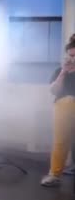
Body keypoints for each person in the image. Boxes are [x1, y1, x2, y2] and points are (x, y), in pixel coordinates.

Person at [41, 34, 75, 187]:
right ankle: (54, 174)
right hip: (64, 106)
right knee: (61, 141)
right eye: (71, 55)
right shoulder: (60, 71)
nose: (73, 58)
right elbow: (54, 90)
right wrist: (63, 72)